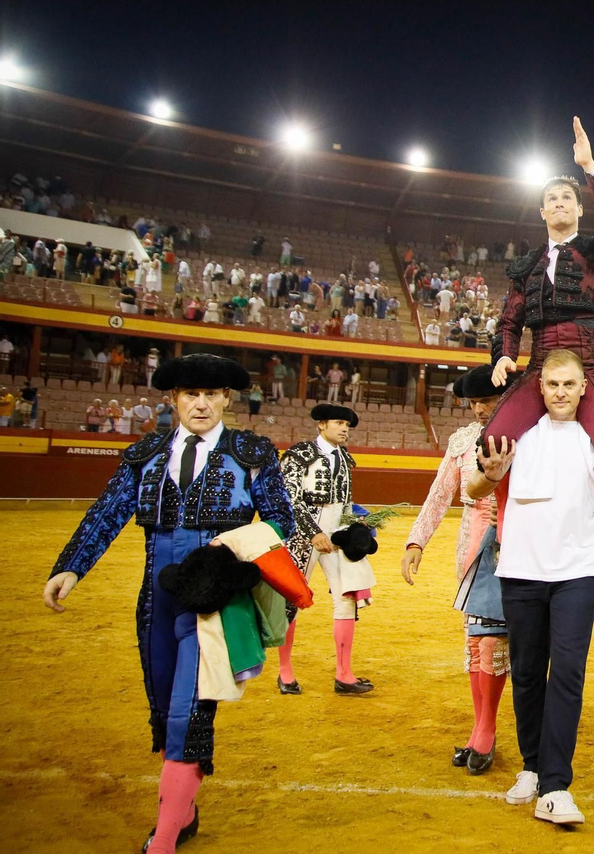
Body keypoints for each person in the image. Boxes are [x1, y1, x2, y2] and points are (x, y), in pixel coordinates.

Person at [41, 354, 300, 854]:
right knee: (163, 709)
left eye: (210, 394)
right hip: (157, 597)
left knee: (189, 711)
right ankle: (183, 811)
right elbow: (108, 510)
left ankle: (162, 839)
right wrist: (71, 565)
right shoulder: (146, 453)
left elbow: (281, 520)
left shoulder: (252, 453)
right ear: (174, 399)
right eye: (189, 394)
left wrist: (231, 549)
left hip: (214, 596)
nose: (200, 404)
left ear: (227, 398)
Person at [477, 351, 594, 826]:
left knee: (566, 674)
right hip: (521, 570)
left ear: (585, 387)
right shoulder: (515, 435)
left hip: (578, 572)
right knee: (527, 673)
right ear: (540, 388)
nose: (561, 393)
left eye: (569, 384)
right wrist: (492, 474)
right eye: (552, 385)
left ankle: (555, 785)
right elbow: (472, 489)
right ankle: (531, 767)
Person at [483, 117, 594, 529]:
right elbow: (509, 321)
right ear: (542, 210)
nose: (559, 203)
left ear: (580, 207)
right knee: (491, 445)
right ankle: (512, 527)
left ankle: (592, 531)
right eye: (551, 198)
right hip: (539, 366)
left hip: (589, 365)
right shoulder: (527, 265)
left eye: (567, 197)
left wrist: (590, 168)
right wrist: (504, 356)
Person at [403, 365, 512, 776]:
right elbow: (438, 495)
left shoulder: (528, 437)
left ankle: (485, 728)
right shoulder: (463, 441)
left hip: (511, 546)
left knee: (493, 643)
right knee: (474, 640)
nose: (479, 408)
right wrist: (416, 541)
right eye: (474, 401)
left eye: (487, 400)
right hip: (470, 545)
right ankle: (480, 726)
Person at [277, 404, 371, 694]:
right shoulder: (298, 455)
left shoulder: (344, 458)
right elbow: (289, 497)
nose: (344, 429)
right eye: (339, 423)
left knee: (346, 598)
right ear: (321, 425)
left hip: (335, 533)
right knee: (291, 600)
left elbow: (344, 502)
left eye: (347, 425)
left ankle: (344, 674)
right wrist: (312, 532)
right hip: (303, 533)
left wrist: (354, 527)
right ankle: (285, 673)